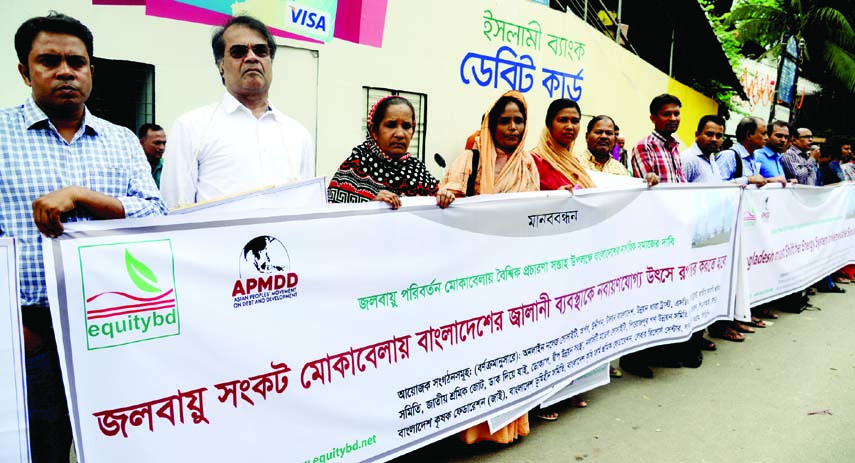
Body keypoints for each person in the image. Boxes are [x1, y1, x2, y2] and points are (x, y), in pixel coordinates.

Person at [1, 12, 167, 462]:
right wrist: (16, 327)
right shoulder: (0, 136)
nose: (65, 71)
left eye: (76, 61)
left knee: (124, 443)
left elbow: (155, 214)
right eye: (48, 60)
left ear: (91, 68)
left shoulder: (120, 140)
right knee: (42, 449)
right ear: (24, 70)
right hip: (30, 334)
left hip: (116, 324)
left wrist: (83, 198)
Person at [440, 91, 538, 444]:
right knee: (475, 349)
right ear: (491, 124)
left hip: (512, 271)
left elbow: (534, 215)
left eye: (518, 121)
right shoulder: (471, 157)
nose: (512, 127)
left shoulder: (528, 164)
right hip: (473, 270)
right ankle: (469, 431)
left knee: (509, 346)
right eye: (505, 121)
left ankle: (507, 429)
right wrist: (449, 197)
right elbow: (449, 194)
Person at [160, 15, 313, 209]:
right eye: (238, 52)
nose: (252, 57)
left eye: (260, 51)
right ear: (221, 66)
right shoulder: (192, 127)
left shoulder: (297, 134)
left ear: (270, 61)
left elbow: (306, 209)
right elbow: (174, 209)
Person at [681, 115, 763, 342]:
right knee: (692, 290)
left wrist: (741, 182)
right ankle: (690, 340)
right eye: (709, 134)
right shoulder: (688, 160)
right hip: (694, 236)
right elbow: (679, 196)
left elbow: (718, 189)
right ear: (697, 134)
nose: (714, 139)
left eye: (718, 135)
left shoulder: (713, 160)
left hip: (711, 235)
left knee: (706, 288)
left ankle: (700, 334)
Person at [327, 95, 454, 208]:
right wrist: (373, 205)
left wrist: (444, 197)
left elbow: (435, 213)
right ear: (374, 130)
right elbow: (335, 219)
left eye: (406, 126)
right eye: (391, 125)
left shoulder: (418, 170)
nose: (400, 134)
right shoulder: (356, 167)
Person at [630, 94, 685, 183]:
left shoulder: (674, 147)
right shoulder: (644, 147)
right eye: (667, 114)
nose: (673, 119)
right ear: (653, 119)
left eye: (676, 114)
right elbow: (646, 187)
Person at [717, 117, 771, 187]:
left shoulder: (753, 156)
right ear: (749, 135)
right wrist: (747, 180)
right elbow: (717, 186)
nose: (767, 138)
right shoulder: (728, 156)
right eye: (763, 134)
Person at [755, 120, 796, 185]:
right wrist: (768, 181)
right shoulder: (757, 156)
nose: (783, 140)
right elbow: (748, 182)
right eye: (779, 136)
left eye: (786, 137)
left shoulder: (778, 157)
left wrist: (788, 182)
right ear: (767, 136)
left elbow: (777, 180)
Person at [138, 123, 167, 187]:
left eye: (164, 143)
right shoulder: (134, 167)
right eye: (157, 143)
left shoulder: (167, 167)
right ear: (141, 143)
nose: (162, 147)